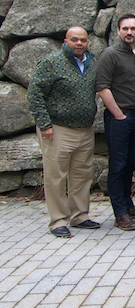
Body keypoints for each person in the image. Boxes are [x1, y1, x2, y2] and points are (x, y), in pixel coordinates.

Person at [27, 27, 99, 238]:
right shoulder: (51, 63)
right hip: (57, 129)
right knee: (56, 176)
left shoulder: (90, 63)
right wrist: (44, 124)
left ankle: (80, 216)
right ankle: (58, 220)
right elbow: (35, 93)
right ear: (65, 41)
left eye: (83, 40)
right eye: (74, 40)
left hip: (85, 129)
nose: (79, 43)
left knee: (82, 175)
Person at [96, 14, 135, 231]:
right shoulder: (110, 55)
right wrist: (118, 114)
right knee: (117, 166)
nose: (129, 32)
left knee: (130, 163)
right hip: (120, 119)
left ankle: (128, 205)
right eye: (125, 28)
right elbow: (102, 86)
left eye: (133, 28)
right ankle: (119, 213)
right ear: (118, 31)